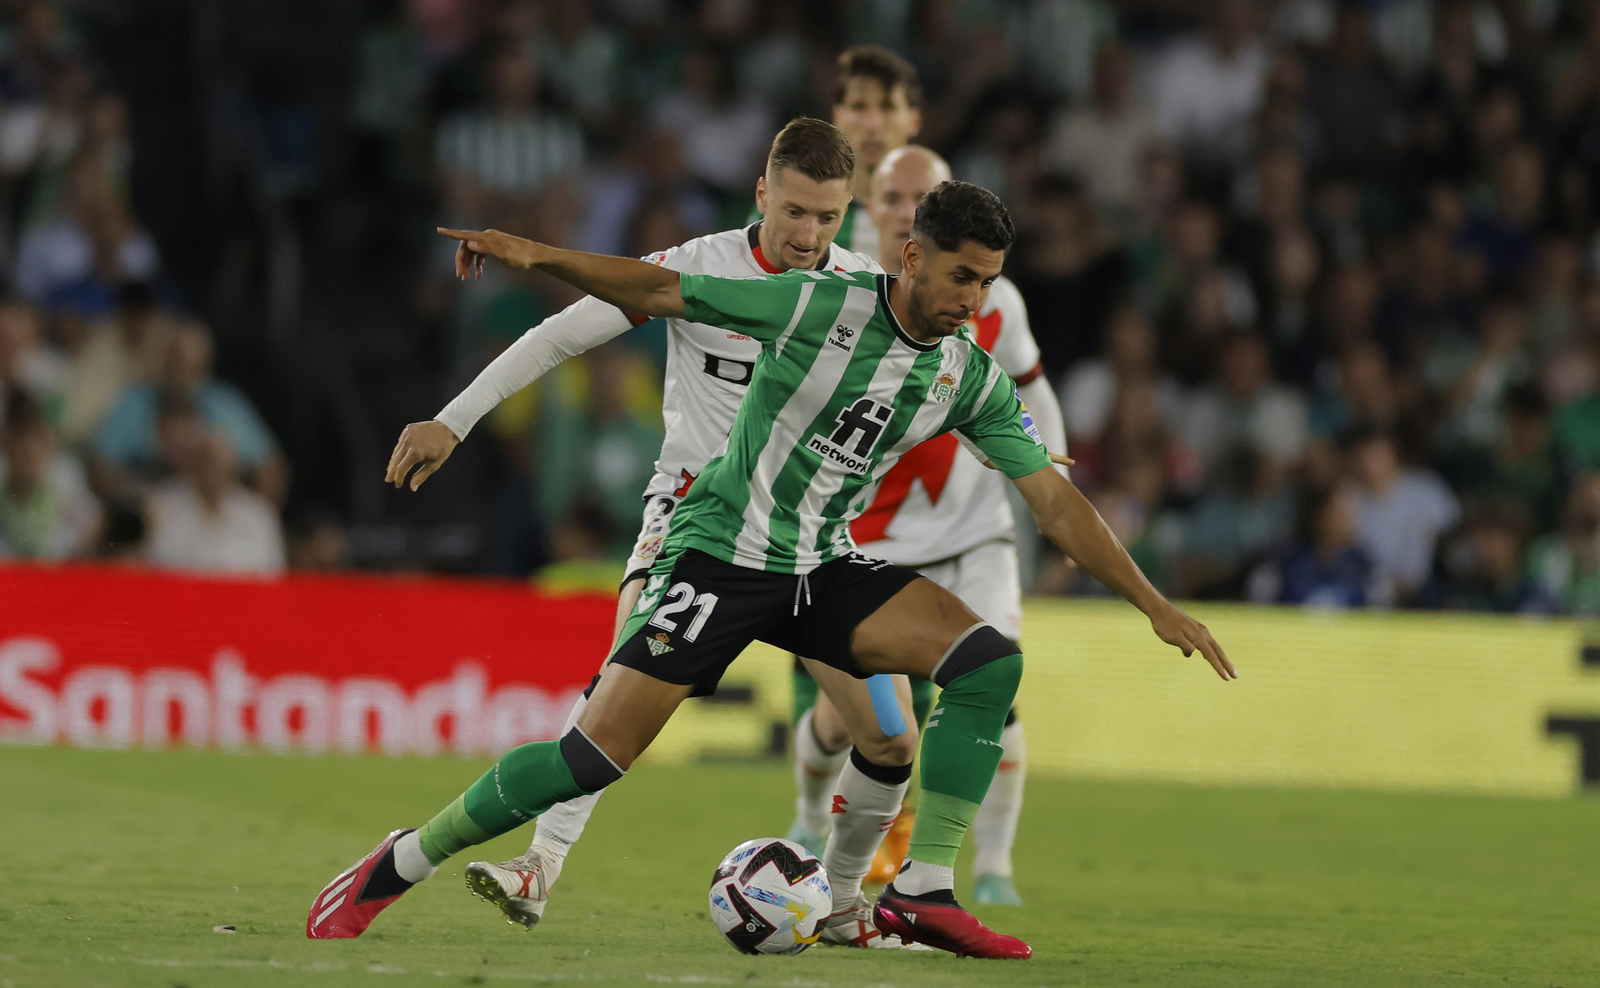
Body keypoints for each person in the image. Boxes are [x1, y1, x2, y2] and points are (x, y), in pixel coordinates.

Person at [311, 180, 1234, 960]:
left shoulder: (967, 374)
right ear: (912, 258)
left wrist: (1155, 602)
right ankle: (399, 862)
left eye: (988, 284)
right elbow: (657, 288)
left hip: (821, 567)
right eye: (961, 276)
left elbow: (1057, 502)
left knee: (985, 664)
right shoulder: (819, 304)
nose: (972, 299)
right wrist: (531, 252)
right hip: (718, 556)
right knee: (590, 756)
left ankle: (918, 889)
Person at [373, 118, 929, 949]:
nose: (811, 235)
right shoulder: (694, 268)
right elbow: (557, 335)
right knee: (617, 698)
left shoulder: (859, 288)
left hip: (807, 539)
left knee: (888, 733)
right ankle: (540, 863)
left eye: (827, 217)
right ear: (761, 195)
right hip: (695, 523)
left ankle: (845, 902)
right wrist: (453, 421)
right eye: (796, 213)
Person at [784, 145, 1068, 909]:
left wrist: (1056, 482)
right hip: (867, 543)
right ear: (874, 209)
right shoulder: (837, 290)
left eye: (923, 193)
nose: (908, 205)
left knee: (998, 687)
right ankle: (811, 822)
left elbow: (1032, 391)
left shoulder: (990, 303)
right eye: (894, 196)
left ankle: (993, 867)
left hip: (976, 536)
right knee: (853, 725)